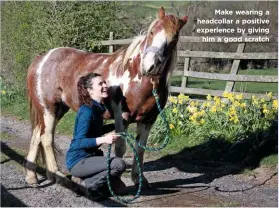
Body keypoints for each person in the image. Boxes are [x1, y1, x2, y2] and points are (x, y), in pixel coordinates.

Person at [65, 73, 126, 200]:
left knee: (120, 189)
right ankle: (85, 185)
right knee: (119, 165)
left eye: (104, 83)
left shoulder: (96, 108)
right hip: (79, 161)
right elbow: (79, 142)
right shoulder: (87, 111)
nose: (105, 86)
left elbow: (95, 131)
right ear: (89, 90)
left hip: (91, 157)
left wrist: (118, 124)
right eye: (100, 84)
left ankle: (81, 179)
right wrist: (104, 139)